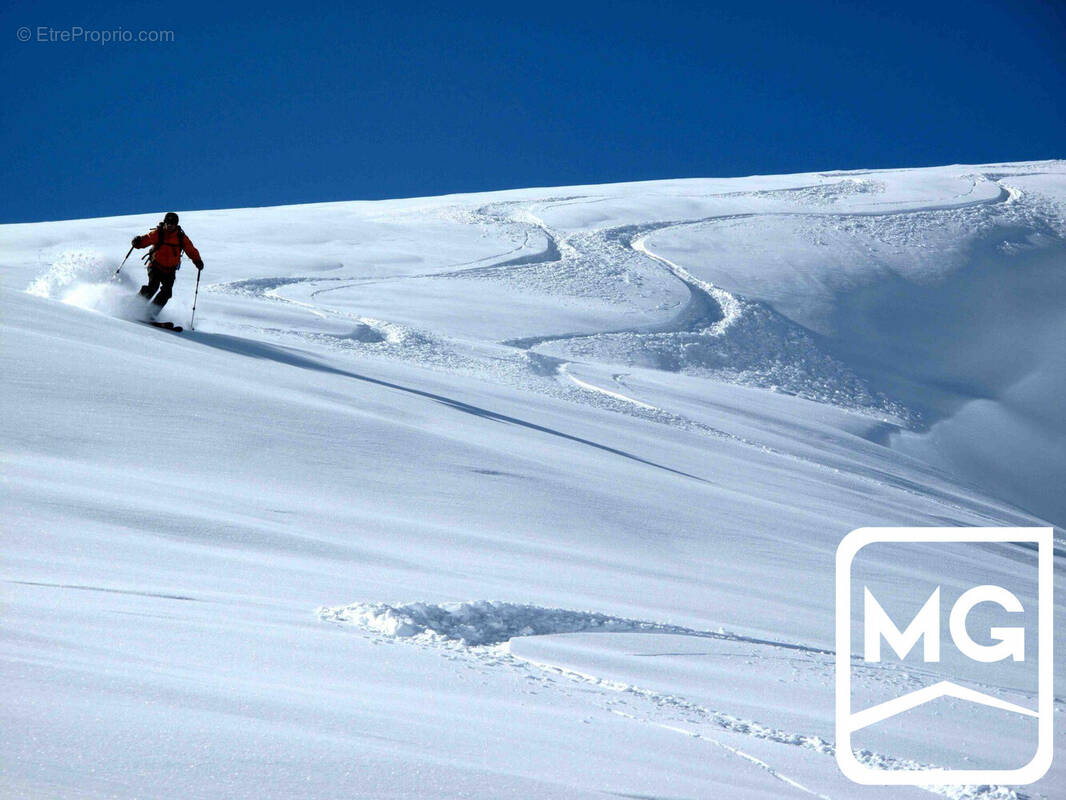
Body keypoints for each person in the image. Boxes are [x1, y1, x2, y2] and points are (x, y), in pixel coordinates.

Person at [132, 212, 203, 314]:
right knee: (153, 287)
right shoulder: (158, 233)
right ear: (164, 223)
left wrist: (197, 260)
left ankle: (150, 314)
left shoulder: (181, 237)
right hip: (155, 266)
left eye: (172, 223)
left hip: (170, 270)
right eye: (168, 223)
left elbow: (190, 249)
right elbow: (146, 240)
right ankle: (134, 306)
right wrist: (137, 242)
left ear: (176, 224)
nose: (169, 225)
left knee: (167, 293)